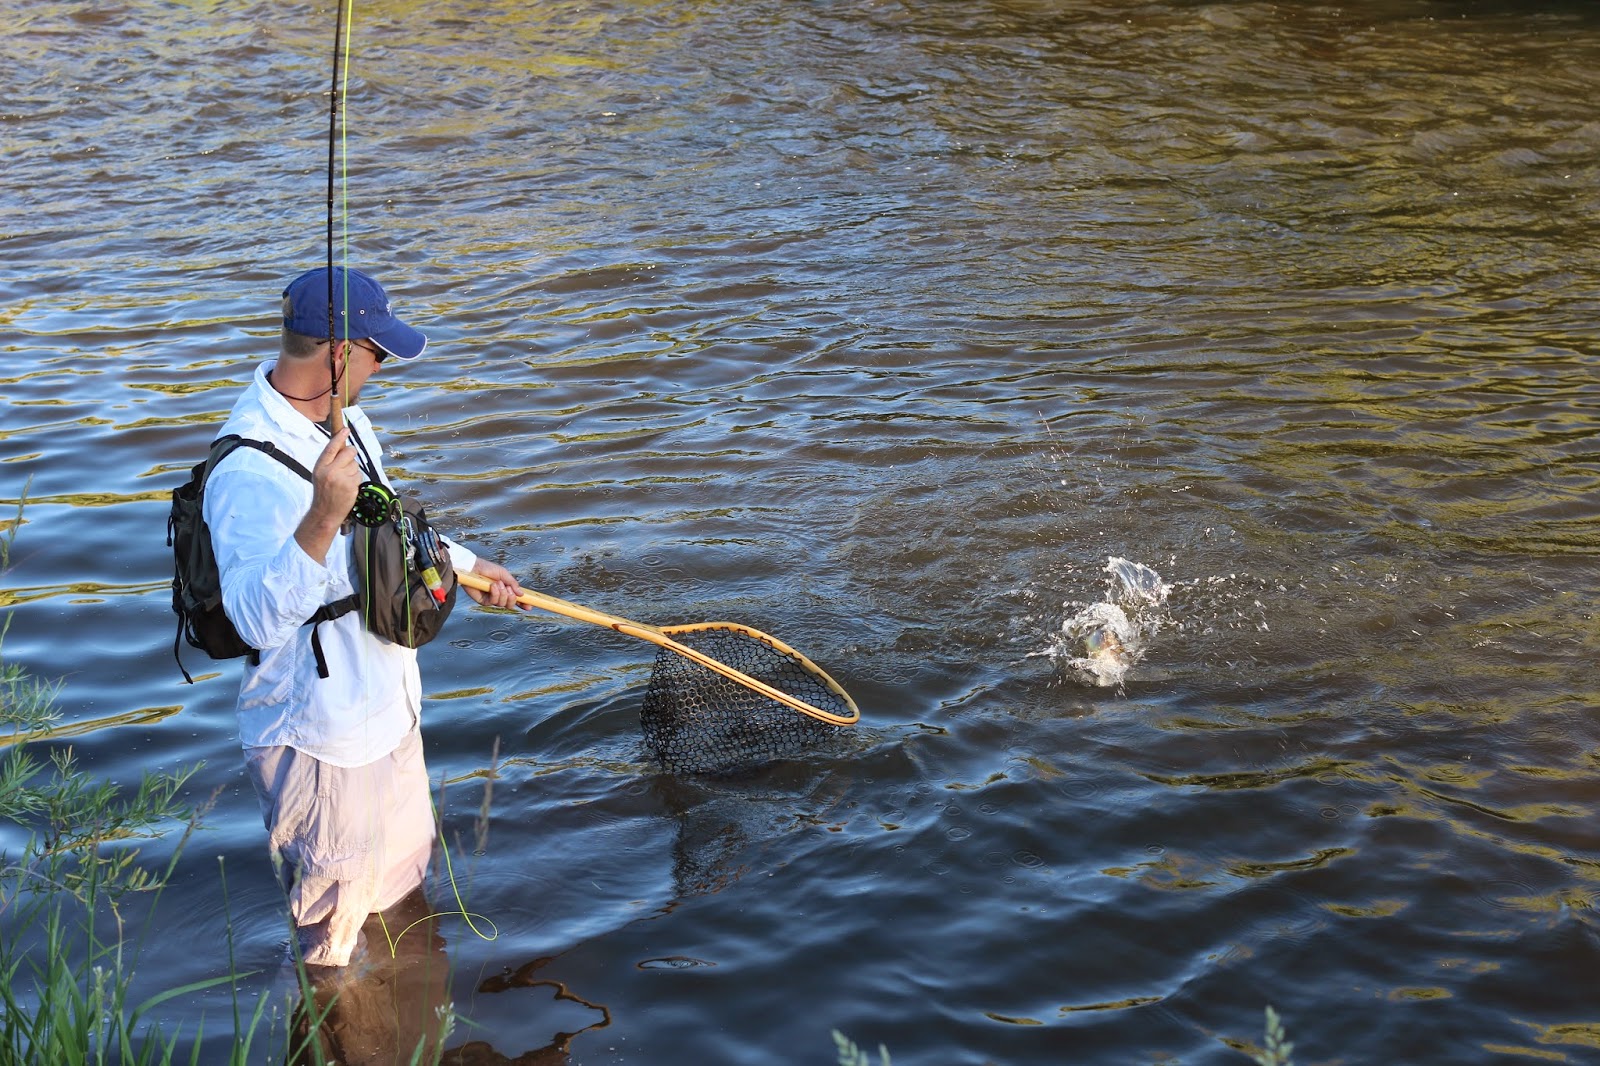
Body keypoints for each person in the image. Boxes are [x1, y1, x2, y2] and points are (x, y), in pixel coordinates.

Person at [204, 265, 524, 967]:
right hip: (322, 742)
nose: (382, 368)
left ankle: (414, 1016)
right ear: (340, 352)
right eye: (377, 353)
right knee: (333, 948)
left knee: (404, 902)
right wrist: (322, 515)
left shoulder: (350, 425)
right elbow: (253, 621)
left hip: (389, 713)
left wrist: (464, 565)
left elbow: (386, 531)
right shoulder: (246, 471)